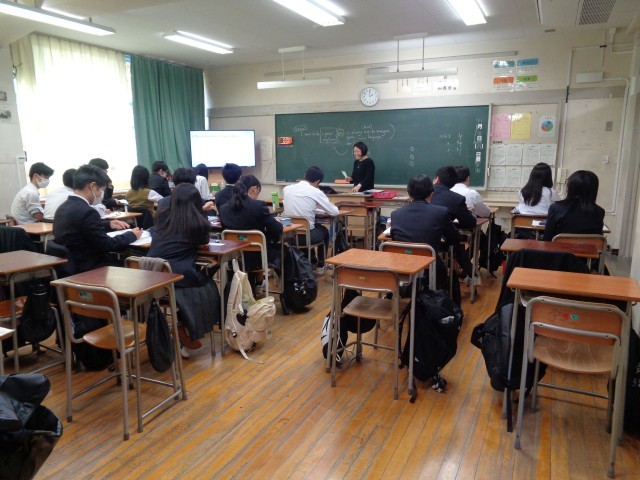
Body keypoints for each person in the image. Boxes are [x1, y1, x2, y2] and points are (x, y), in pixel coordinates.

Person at [148, 183, 219, 354]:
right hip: (178, 276)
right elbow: (204, 242)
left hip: (152, 276)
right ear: (196, 202)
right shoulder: (197, 223)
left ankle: (183, 327)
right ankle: (186, 328)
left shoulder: (162, 216)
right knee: (209, 283)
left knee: (200, 278)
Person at [53, 165, 141, 273]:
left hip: (71, 265)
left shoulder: (62, 208)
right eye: (102, 190)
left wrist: (108, 224)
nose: (102, 195)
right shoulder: (87, 211)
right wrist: (131, 235)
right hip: (91, 268)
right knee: (137, 267)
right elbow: (107, 244)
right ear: (93, 186)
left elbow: (81, 228)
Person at [390, 174, 461, 303]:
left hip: (403, 265)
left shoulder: (396, 214)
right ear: (431, 193)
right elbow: (455, 238)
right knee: (442, 270)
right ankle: (437, 304)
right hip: (430, 266)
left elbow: (394, 238)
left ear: (409, 194)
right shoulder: (440, 212)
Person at [219, 175, 283, 293]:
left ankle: (256, 284)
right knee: (284, 251)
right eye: (258, 192)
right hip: (258, 257)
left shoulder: (223, 209)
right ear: (254, 189)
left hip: (234, 257)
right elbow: (277, 228)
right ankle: (286, 292)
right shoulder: (258, 206)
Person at [283, 166, 338, 273]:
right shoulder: (315, 192)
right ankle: (321, 265)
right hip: (306, 237)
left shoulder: (287, 189)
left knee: (313, 228)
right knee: (324, 231)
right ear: (317, 181)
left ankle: (312, 260)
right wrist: (330, 206)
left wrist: (313, 208)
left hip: (289, 236)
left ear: (305, 175)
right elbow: (334, 212)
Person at [430, 165, 477, 285]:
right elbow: (470, 222)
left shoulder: (425, 193)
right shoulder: (456, 199)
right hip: (440, 241)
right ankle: (472, 275)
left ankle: (470, 273)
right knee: (455, 239)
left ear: (437, 179)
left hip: (414, 244)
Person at [544, 170, 605, 241]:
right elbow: (597, 238)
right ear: (594, 190)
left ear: (570, 188)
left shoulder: (555, 208)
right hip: (588, 248)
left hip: (560, 248)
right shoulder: (599, 212)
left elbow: (547, 238)